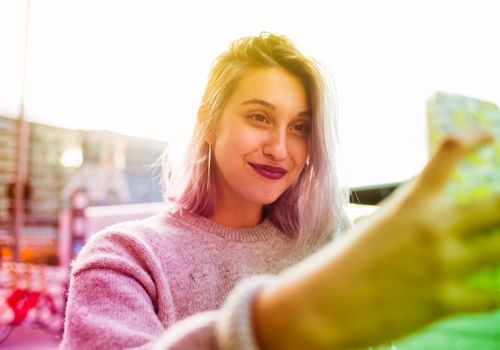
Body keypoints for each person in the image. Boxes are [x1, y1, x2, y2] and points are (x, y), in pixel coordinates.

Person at [60, 33, 500, 349]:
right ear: (209, 124)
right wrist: (282, 322)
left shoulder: (329, 241)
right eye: (259, 117)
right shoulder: (124, 258)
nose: (279, 148)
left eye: (300, 128)